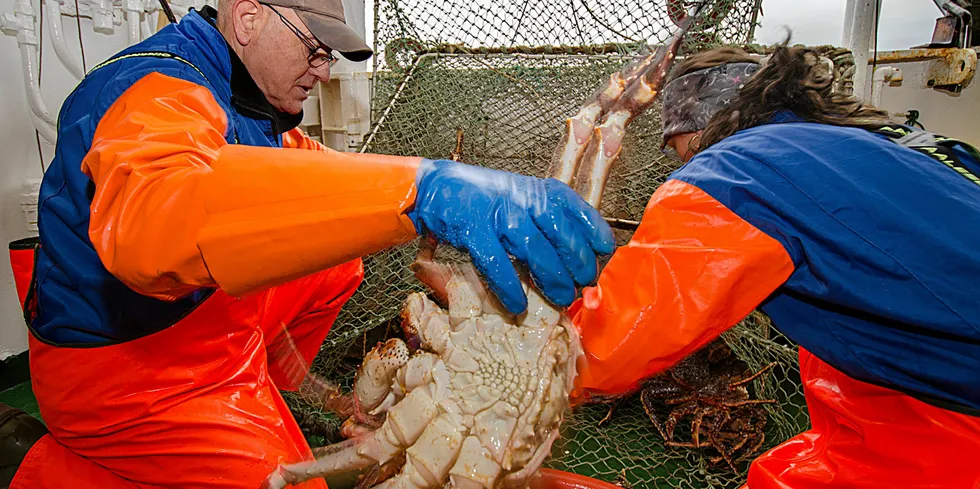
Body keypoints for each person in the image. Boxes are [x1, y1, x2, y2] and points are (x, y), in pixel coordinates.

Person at [1, 0, 615, 487]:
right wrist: (418, 189)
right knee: (286, 484)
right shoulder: (152, 91)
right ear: (247, 16)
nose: (325, 69)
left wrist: (438, 181)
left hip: (210, 337)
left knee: (340, 245)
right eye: (314, 48)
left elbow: (315, 181)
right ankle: (29, 463)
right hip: (126, 373)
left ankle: (270, 386)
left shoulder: (248, 103)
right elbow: (156, 229)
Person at [569, 43, 980, 488]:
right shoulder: (891, 142)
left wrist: (506, 369)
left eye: (676, 148)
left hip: (952, 413)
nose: (682, 161)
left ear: (697, 127)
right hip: (921, 384)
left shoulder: (734, 171)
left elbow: (608, 345)